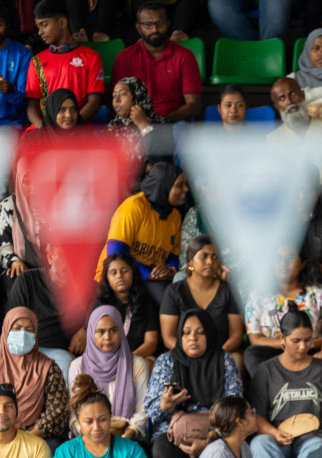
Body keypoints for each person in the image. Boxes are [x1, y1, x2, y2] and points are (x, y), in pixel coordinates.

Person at [246, 306, 322, 458]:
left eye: (308, 340)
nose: (303, 346)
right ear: (282, 339)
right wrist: (274, 433)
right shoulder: (266, 371)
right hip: (276, 438)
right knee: (259, 444)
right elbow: (256, 416)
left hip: (312, 438)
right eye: (296, 341)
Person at [145, 309, 244, 458]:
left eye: (201, 332)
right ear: (179, 335)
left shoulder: (224, 361)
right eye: (186, 332)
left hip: (216, 434)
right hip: (174, 435)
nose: (193, 338)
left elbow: (234, 410)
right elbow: (152, 413)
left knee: (220, 451)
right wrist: (165, 406)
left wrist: (208, 442)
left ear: (210, 334)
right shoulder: (166, 361)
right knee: (162, 451)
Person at [243, 247, 322, 374]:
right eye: (278, 259)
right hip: (274, 352)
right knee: (252, 354)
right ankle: (271, 386)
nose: (283, 264)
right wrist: (287, 344)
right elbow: (255, 339)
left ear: (302, 264)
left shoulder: (319, 293)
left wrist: (304, 344)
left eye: (290, 259)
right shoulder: (257, 295)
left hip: (308, 350)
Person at [98, 162, 186, 292]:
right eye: (179, 185)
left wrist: (169, 269)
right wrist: (147, 274)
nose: (186, 189)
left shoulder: (175, 216)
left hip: (152, 280)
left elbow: (172, 256)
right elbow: (115, 252)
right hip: (117, 279)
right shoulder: (134, 207)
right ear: (164, 187)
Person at [67, 306, 150, 440]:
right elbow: (73, 415)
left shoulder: (136, 365)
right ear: (91, 333)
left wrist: (125, 437)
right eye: (100, 331)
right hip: (88, 438)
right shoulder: (78, 366)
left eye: (113, 330)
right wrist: (91, 435)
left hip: (127, 437)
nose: (107, 337)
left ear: (121, 332)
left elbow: (142, 411)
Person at [112, 2, 202, 121]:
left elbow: (194, 105)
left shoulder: (185, 56)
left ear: (168, 24)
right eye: (148, 25)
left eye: (159, 24)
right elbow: (118, 102)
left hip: (173, 123)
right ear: (138, 28)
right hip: (135, 123)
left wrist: (162, 122)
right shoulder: (124, 57)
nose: (154, 29)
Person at [24, 0, 104, 128]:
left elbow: (95, 101)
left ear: (62, 22)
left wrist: (72, 126)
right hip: (45, 131)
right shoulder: (37, 61)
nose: (40, 32)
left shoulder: (91, 57)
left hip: (78, 129)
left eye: (44, 25)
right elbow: (32, 104)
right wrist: (44, 129)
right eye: (38, 27)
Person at [160, 236, 243, 356]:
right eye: (204, 256)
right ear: (190, 262)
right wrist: (191, 353)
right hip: (185, 353)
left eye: (214, 257)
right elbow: (168, 338)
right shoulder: (174, 291)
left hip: (219, 354)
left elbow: (235, 336)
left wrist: (215, 355)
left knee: (236, 359)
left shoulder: (228, 291)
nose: (210, 261)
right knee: (166, 360)